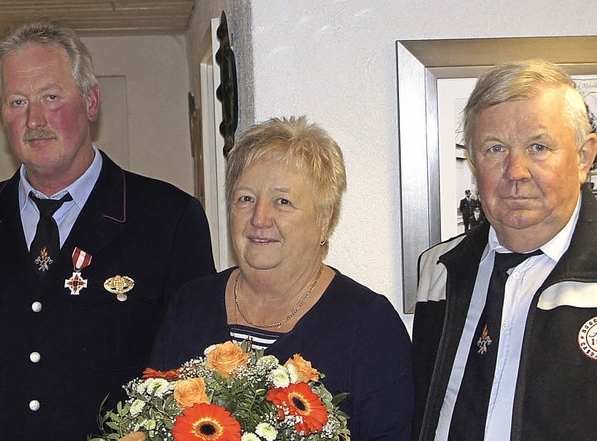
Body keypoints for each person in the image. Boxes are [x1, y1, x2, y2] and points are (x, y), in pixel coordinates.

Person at [0, 19, 215, 440]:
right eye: (17, 102)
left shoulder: (168, 219)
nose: (34, 119)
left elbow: (194, 378)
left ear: (91, 102)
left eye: (51, 97)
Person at [150, 116, 414, 440]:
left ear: (323, 220)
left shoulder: (370, 326)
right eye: (246, 198)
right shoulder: (190, 305)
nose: (259, 218)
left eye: (283, 201)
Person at [412, 59, 597, 441]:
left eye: (539, 147)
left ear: (583, 158)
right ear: (475, 161)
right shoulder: (440, 269)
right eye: (496, 148)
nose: (516, 171)